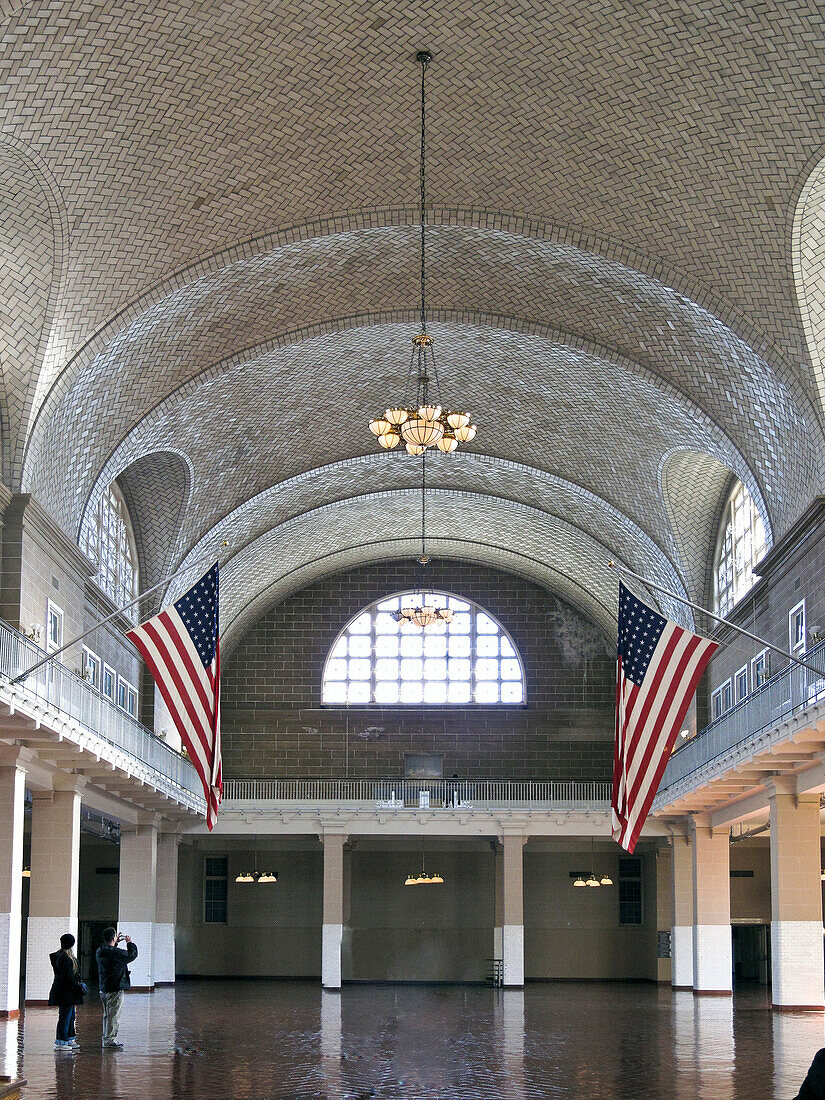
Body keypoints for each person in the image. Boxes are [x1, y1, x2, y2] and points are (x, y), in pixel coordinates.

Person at [95, 927, 138, 1050]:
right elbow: (131, 955)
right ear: (113, 937)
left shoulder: (100, 950)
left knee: (107, 1014)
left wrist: (116, 943)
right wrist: (129, 942)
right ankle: (109, 1040)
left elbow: (112, 952)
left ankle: (106, 1037)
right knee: (113, 1015)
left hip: (103, 987)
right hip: (115, 987)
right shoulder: (115, 953)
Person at [48, 932, 86, 1049]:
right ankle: (61, 1041)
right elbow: (68, 977)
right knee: (65, 1017)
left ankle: (69, 1038)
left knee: (70, 1016)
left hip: (65, 992)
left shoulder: (59, 956)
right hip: (66, 993)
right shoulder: (67, 959)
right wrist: (78, 987)